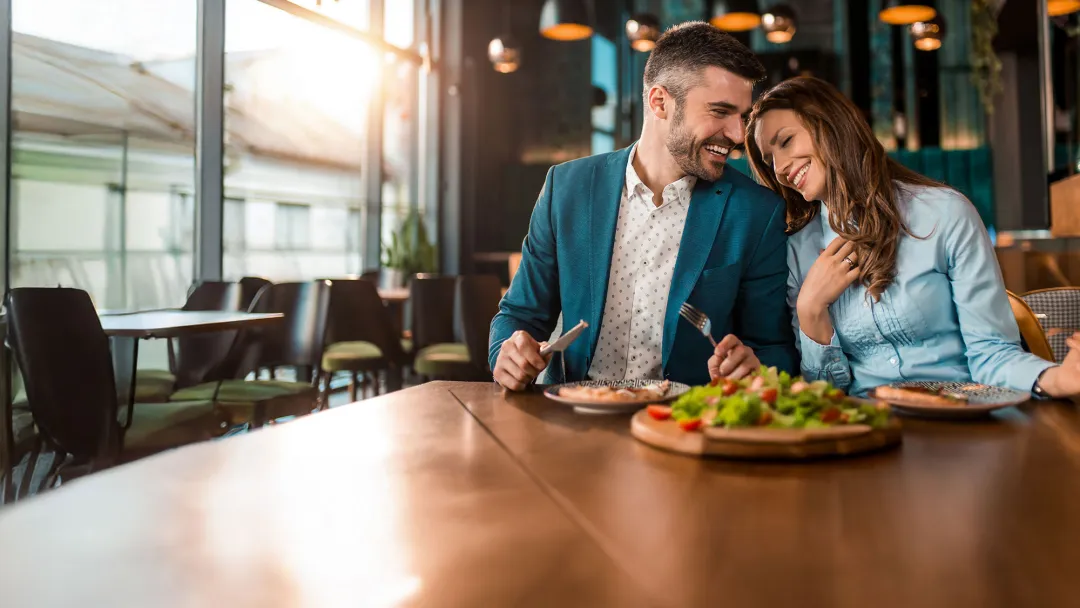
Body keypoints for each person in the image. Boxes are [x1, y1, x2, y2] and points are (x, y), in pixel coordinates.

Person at [489, 22, 798, 391]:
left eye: (742, 117)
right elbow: (519, 315)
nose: (736, 135)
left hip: (683, 425)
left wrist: (754, 368)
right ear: (659, 102)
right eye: (720, 111)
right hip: (573, 415)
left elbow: (774, 349)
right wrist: (507, 353)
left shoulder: (757, 213)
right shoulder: (566, 188)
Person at [740, 76, 1080, 398]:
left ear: (831, 126)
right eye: (769, 161)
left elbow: (992, 355)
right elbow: (825, 395)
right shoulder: (796, 251)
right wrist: (811, 309)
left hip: (960, 420)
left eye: (786, 141)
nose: (781, 167)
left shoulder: (944, 214)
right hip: (866, 429)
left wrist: (1058, 379)